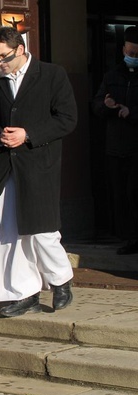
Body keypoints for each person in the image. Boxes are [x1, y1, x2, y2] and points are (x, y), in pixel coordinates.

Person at [0, 26, 78, 318]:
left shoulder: (52, 74)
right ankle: (24, 294)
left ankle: (61, 279)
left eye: (3, 57)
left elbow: (68, 119)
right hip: (8, 165)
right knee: (11, 232)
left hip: (40, 164)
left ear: (20, 50)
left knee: (42, 230)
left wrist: (28, 134)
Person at [92, 26, 138, 254]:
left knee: (133, 192)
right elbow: (97, 105)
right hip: (114, 147)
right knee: (119, 193)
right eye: (131, 52)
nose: (133, 57)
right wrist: (106, 106)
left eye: (137, 54)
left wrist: (132, 112)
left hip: (135, 147)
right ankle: (125, 237)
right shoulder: (111, 76)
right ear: (123, 50)